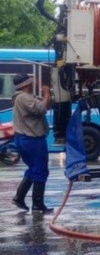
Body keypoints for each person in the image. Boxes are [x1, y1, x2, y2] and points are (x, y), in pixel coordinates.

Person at [11, 73, 52, 212]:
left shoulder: (23, 98)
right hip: (31, 140)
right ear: (26, 84)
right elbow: (41, 108)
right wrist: (46, 93)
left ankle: (19, 197)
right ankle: (37, 205)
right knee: (40, 171)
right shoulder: (24, 97)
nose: (33, 83)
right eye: (31, 81)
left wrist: (47, 97)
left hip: (25, 139)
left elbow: (43, 107)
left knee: (34, 169)